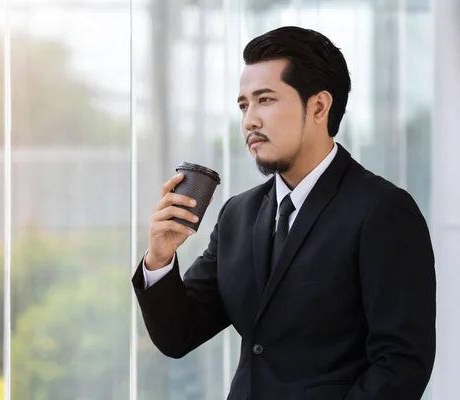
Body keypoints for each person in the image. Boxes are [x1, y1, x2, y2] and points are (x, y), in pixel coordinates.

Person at [131, 26, 436, 400]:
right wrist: (160, 258)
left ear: (320, 106)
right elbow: (179, 335)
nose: (249, 121)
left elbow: (401, 363)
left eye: (266, 100)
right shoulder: (237, 215)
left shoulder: (382, 210)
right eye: (244, 105)